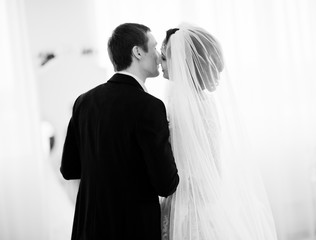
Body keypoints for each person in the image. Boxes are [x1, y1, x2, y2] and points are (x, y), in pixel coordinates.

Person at [60, 23, 179, 240]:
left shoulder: (84, 102)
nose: (158, 55)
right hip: (133, 228)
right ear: (137, 51)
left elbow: (69, 169)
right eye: (153, 47)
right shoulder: (149, 107)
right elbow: (166, 183)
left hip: (89, 226)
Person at [159, 23, 278, 240]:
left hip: (190, 191)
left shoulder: (181, 103)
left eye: (165, 56)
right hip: (200, 186)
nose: (161, 63)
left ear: (179, 61)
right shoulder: (202, 99)